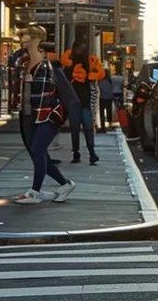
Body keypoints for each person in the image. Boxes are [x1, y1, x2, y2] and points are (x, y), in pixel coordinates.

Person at [14, 26, 75, 205]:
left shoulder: (50, 62)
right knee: (39, 155)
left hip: (48, 114)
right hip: (27, 114)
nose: (23, 38)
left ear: (37, 38)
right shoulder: (23, 61)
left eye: (26, 35)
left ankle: (35, 192)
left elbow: (65, 90)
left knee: (38, 150)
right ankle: (65, 184)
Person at [61, 39, 104, 164]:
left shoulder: (89, 62)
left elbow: (100, 73)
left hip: (84, 101)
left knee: (87, 127)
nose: (81, 51)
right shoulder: (70, 64)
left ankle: (90, 152)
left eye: (83, 48)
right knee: (76, 128)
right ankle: (77, 153)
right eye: (79, 48)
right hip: (75, 102)